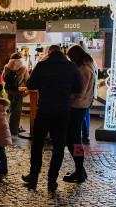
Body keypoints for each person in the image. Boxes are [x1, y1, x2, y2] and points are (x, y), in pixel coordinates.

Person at [22, 45, 83, 191]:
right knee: (59, 146)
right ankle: (52, 180)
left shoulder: (42, 65)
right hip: (63, 112)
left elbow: (30, 85)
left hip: (44, 110)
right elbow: (78, 89)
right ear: (63, 53)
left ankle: (34, 176)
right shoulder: (72, 66)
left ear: (49, 53)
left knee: (37, 144)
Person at [63, 45, 96, 183]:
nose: (71, 60)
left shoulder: (84, 70)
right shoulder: (88, 67)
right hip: (81, 106)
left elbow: (79, 92)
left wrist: (67, 96)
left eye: (71, 58)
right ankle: (79, 170)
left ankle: (79, 170)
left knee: (74, 139)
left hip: (77, 106)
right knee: (73, 138)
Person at [2, 52, 29, 135]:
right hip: (18, 91)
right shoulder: (23, 68)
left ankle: (16, 127)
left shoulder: (7, 67)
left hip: (9, 91)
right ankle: (13, 129)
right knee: (16, 110)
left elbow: (3, 78)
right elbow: (27, 80)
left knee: (12, 109)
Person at [79, 41, 98, 144]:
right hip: (91, 93)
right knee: (86, 114)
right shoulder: (92, 61)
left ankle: (85, 136)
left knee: (83, 115)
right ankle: (85, 135)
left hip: (86, 94)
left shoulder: (84, 64)